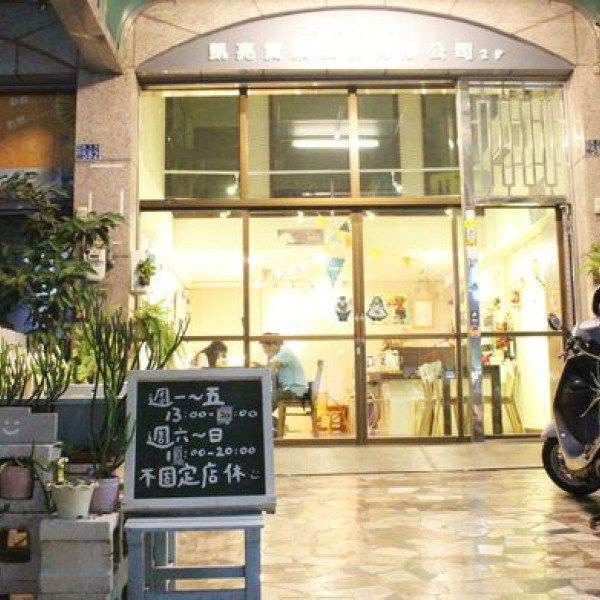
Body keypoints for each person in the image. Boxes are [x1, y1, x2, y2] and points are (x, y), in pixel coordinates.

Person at [259, 333, 308, 407]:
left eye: (264, 347)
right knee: (267, 395)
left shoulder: (285, 352)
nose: (264, 351)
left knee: (268, 396)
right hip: (292, 389)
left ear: (273, 345)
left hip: (294, 390)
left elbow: (271, 368)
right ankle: (265, 413)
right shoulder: (281, 354)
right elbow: (272, 371)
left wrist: (266, 360)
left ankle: (264, 414)